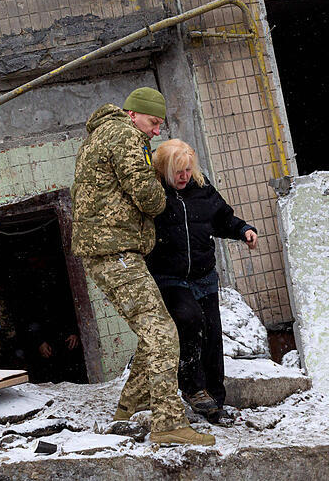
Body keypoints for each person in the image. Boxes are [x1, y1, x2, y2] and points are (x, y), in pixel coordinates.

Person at [71, 87, 214, 446]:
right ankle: (167, 424)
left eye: (160, 125)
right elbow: (149, 198)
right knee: (164, 331)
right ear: (133, 114)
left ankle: (129, 406)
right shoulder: (123, 134)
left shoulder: (103, 134)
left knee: (155, 331)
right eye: (153, 122)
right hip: (115, 250)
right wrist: (159, 181)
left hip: (110, 249)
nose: (155, 131)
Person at [146, 139, 258, 424]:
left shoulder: (201, 187)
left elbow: (222, 217)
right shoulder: (153, 194)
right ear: (163, 170)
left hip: (203, 275)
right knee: (189, 320)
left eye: (187, 170)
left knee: (211, 333)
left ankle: (215, 401)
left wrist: (243, 230)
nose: (183, 176)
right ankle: (192, 387)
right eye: (177, 171)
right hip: (170, 276)